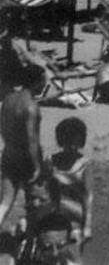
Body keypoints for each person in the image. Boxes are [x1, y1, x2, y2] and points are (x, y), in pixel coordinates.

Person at [0, 65, 44, 230]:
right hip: (26, 158)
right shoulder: (31, 106)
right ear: (35, 82)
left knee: (5, 201)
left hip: (9, 153)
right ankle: (30, 239)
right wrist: (37, 166)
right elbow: (32, 139)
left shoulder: (8, 99)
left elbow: (2, 127)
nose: (44, 84)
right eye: (42, 81)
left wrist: (10, 146)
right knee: (34, 201)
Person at [46, 117, 93, 257]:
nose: (72, 145)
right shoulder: (50, 161)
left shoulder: (85, 164)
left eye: (76, 141)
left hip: (75, 220)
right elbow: (44, 190)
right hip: (53, 218)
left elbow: (88, 196)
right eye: (69, 141)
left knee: (73, 258)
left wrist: (88, 226)